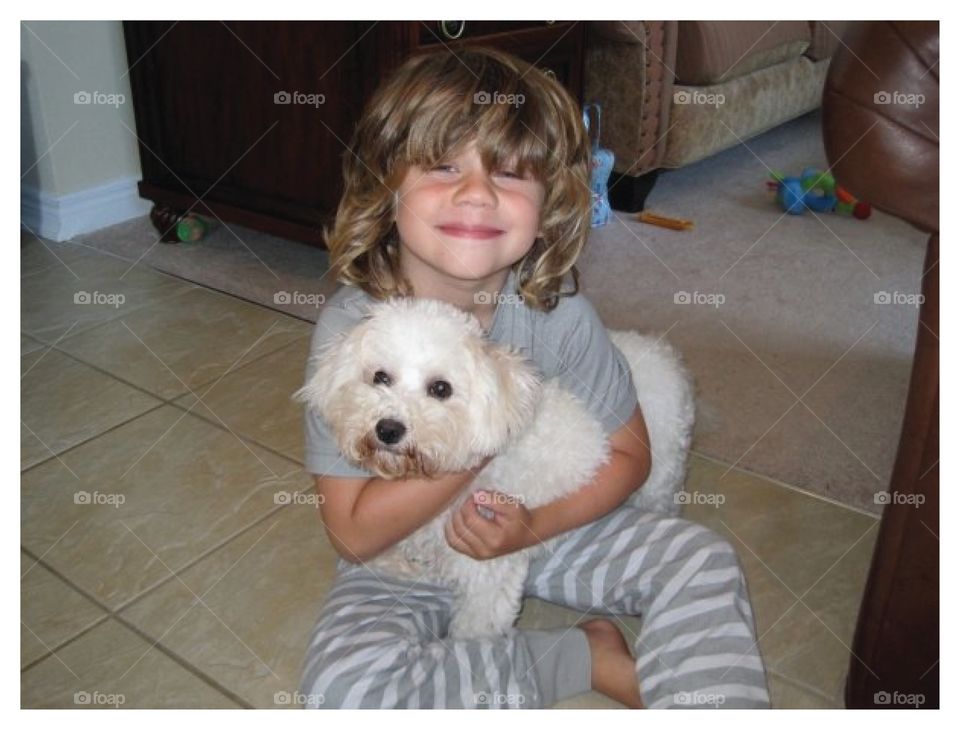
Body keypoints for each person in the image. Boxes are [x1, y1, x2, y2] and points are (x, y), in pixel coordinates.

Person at [298, 46, 770, 709]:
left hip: (548, 527)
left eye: (512, 174)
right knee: (341, 690)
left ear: (550, 205)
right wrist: (473, 443)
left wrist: (531, 528)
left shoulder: (558, 314)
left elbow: (632, 457)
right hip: (405, 555)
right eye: (443, 165)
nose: (476, 192)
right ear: (385, 184)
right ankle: (582, 657)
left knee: (702, 558)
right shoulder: (352, 327)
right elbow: (353, 532)